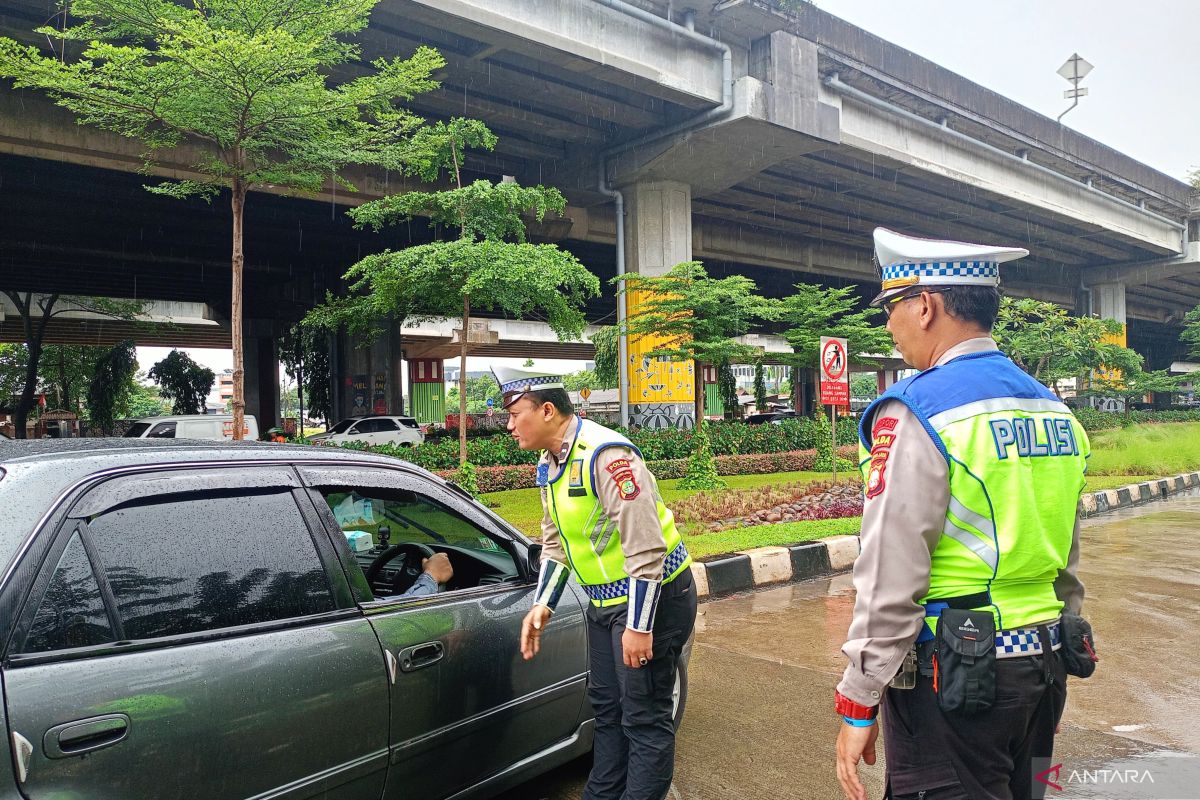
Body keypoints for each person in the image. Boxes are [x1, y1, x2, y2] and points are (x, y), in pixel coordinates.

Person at [835, 228, 1092, 800]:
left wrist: (860, 695)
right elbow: (1066, 557)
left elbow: (890, 570)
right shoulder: (1053, 409)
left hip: (957, 679)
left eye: (890, 307)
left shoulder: (919, 411)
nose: (887, 324)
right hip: (1044, 668)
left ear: (924, 306)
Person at [495, 365, 697, 800]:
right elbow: (555, 542)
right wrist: (541, 605)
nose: (509, 425)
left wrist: (640, 626)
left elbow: (647, 549)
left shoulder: (608, 456)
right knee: (608, 710)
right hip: (605, 603)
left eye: (515, 414)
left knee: (643, 717)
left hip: (653, 598)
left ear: (547, 410)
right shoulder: (548, 464)